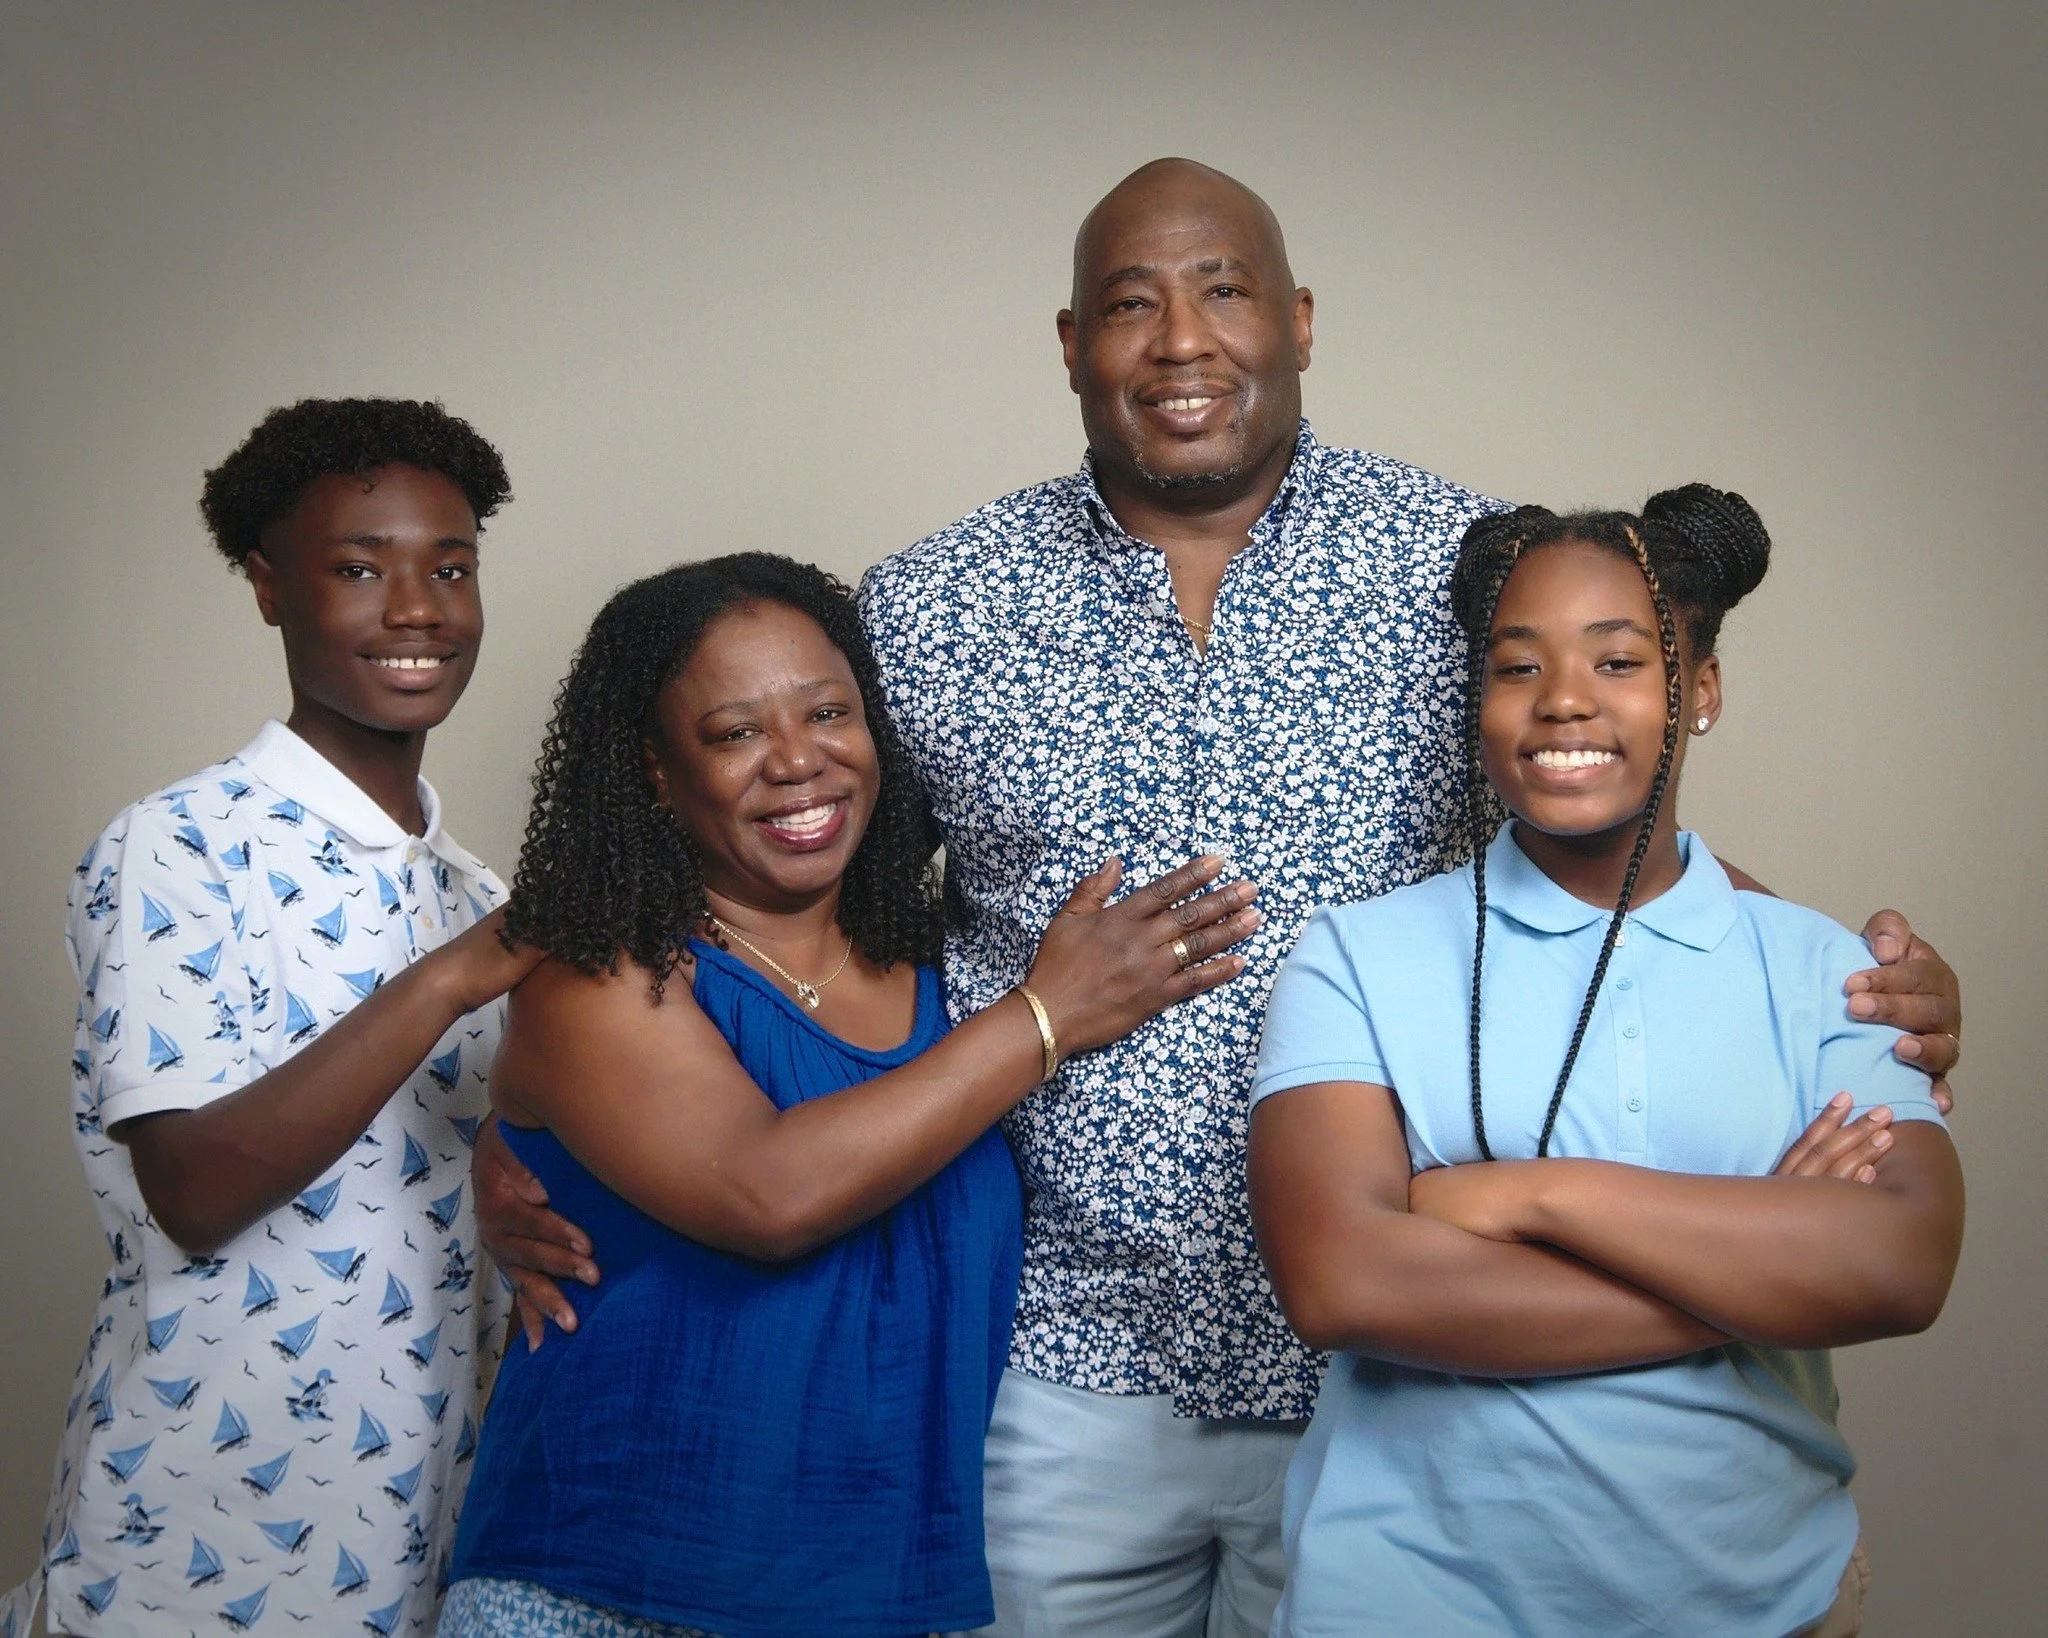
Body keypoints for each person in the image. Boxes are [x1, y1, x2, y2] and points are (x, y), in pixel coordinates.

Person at [478, 160, 1964, 1636]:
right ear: (1071, 345)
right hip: (1053, 1357)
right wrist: (540, 1118)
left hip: (1405, 1375)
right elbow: (779, 884)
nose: (1182, 342)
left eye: (1225, 292)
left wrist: (1821, 966)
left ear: (1301, 320)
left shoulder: (1464, 564)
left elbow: (1592, 803)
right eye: (1130, 305)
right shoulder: (930, 604)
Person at [440, 554, 1259, 1638]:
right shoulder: (603, 975)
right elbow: (766, 1193)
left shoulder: (940, 978)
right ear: (651, 767)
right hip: (608, 1593)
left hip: (875, 1601)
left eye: (829, 713)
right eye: (734, 733)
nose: (797, 762)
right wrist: (1049, 1014)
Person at [1247, 487, 1964, 1636]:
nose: (1563, 700)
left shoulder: (1822, 966)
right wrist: (1755, 1258)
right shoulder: (1357, 958)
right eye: (1516, 668)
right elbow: (1343, 1281)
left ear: (1703, 692)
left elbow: (1899, 1266)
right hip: (1411, 1603)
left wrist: (1526, 1196)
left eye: (1619, 661)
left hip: (1759, 1605)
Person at [4, 399, 539, 1638]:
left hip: (425, 1529)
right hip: (196, 1536)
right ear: (265, 587)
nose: (418, 608)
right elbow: (192, 1186)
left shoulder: (476, 895)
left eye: (449, 568)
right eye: (359, 569)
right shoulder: (178, 847)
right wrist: (457, 978)